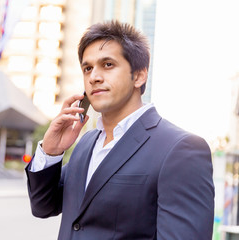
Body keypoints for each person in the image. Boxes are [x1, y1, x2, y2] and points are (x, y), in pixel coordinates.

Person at [25, 20, 214, 240]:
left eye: (107, 65)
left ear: (140, 75)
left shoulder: (181, 149)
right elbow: (43, 207)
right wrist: (51, 152)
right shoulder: (86, 143)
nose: (94, 77)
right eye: (88, 68)